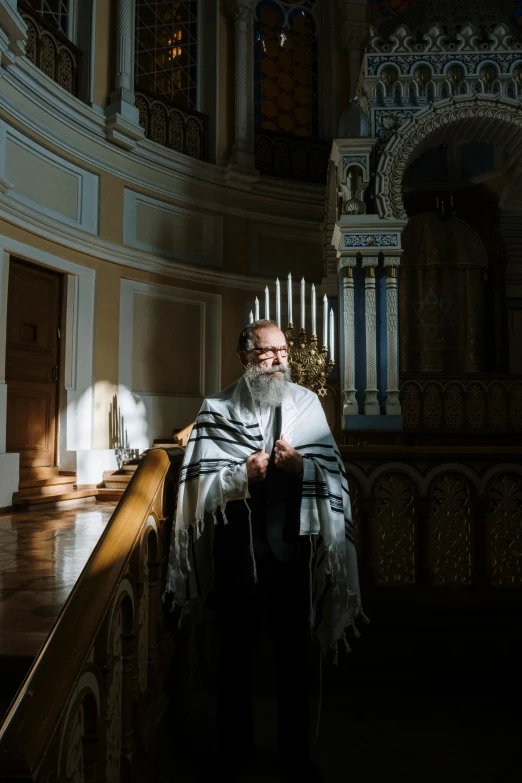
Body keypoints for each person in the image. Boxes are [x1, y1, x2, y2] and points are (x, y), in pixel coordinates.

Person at [166, 319, 362, 782]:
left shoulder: (308, 404)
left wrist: (302, 466)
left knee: (295, 655)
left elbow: (335, 478)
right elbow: (194, 489)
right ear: (244, 359)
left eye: (283, 352)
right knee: (234, 655)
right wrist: (241, 475)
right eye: (266, 352)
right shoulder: (215, 409)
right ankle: (233, 750)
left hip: (291, 551)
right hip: (238, 554)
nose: (277, 361)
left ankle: (295, 755)